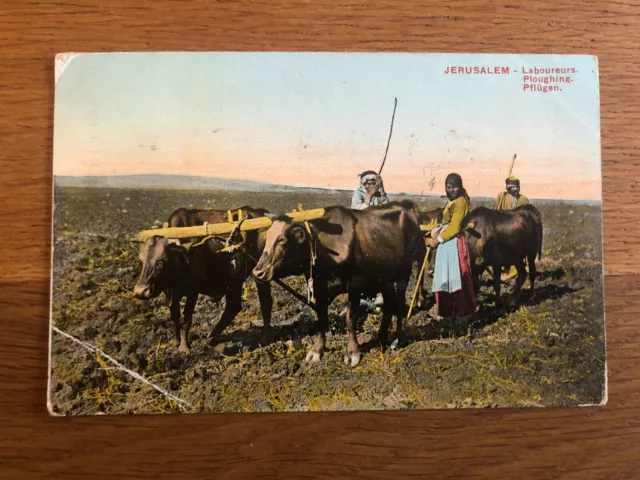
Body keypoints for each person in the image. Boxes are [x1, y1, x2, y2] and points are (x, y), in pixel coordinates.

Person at [428, 173, 476, 319]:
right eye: (448, 187)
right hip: (447, 241)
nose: (451, 190)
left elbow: (455, 227)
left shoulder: (460, 202)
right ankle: (446, 310)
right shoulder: (453, 201)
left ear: (460, 187)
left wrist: (437, 240)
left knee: (455, 275)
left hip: (453, 242)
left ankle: (459, 310)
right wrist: (438, 229)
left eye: (454, 187)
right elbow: (449, 223)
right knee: (445, 274)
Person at [349, 170, 388, 314]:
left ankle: (377, 296)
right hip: (362, 236)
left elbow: (386, 208)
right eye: (368, 183)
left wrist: (381, 191)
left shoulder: (379, 194)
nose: (371, 185)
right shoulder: (358, 195)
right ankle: (363, 298)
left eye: (374, 183)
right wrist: (368, 197)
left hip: (377, 235)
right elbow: (355, 213)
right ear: (363, 184)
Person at [494, 176, 530, 280]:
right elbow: (496, 212)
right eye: (512, 187)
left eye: (516, 187)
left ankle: (514, 272)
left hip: (518, 231)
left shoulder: (523, 200)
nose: (515, 190)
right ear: (508, 188)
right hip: (503, 228)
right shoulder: (502, 197)